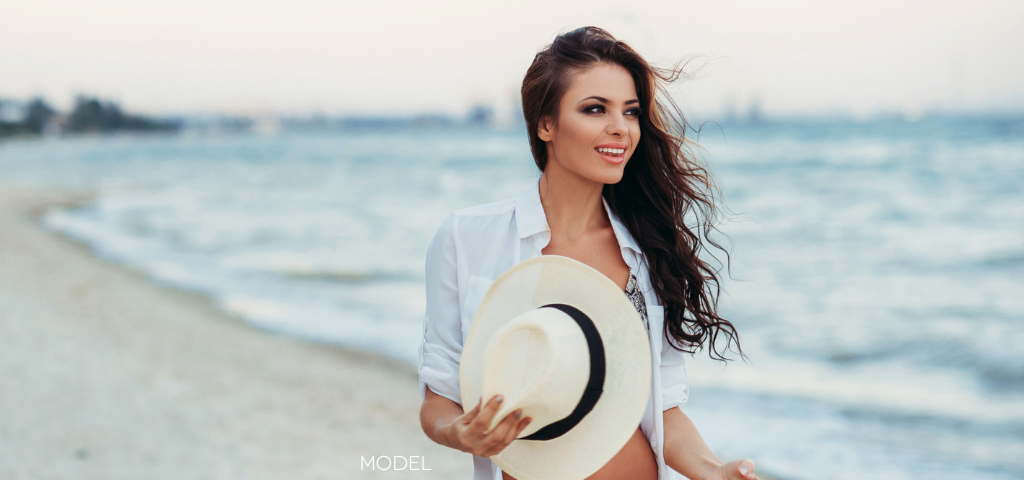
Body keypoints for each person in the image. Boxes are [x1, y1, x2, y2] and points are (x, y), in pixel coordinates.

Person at [418, 26, 760, 480]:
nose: (620, 127)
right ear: (545, 124)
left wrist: (714, 471)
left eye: (631, 112)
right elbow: (438, 400)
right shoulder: (466, 238)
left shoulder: (648, 255)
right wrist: (461, 433)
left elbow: (664, 412)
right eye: (595, 108)